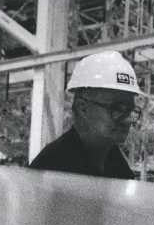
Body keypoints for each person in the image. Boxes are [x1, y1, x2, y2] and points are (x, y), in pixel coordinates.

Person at [28, 50, 143, 178]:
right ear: (83, 108)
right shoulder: (53, 168)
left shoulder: (117, 166)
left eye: (131, 110)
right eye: (117, 109)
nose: (127, 120)